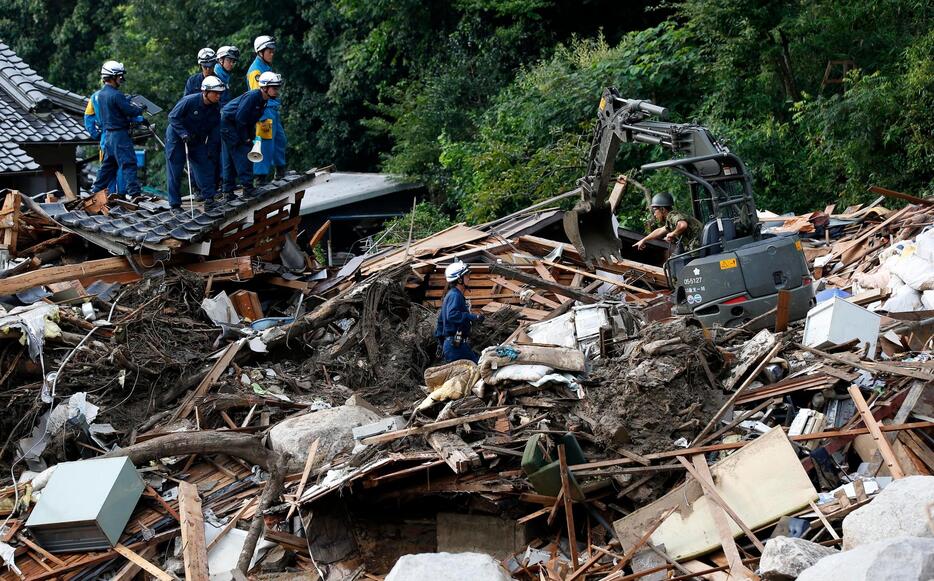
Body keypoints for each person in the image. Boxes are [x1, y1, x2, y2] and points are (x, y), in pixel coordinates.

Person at [164, 77, 226, 209]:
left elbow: (215, 131)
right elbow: (172, 117)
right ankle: (175, 205)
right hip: (177, 138)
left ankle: (209, 199)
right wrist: (182, 133)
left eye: (220, 93)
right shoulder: (189, 101)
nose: (218, 96)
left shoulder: (215, 108)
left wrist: (211, 149)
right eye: (215, 93)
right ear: (205, 92)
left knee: (205, 165)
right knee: (175, 170)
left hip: (196, 139)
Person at [90, 61, 146, 198]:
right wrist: (141, 108)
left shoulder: (99, 95)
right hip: (119, 136)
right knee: (128, 163)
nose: (121, 79)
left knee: (107, 166)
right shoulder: (116, 95)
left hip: (107, 136)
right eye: (119, 76)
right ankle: (135, 194)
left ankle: (94, 191)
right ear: (113, 76)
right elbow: (130, 111)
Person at [219, 71, 282, 193]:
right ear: (264, 87)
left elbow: (250, 120)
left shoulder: (263, 100)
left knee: (230, 157)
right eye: (274, 87)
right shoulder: (253, 97)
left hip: (233, 123)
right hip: (229, 123)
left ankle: (228, 191)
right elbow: (240, 118)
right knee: (242, 152)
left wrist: (251, 136)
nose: (276, 90)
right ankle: (248, 188)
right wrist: (245, 138)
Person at [246, 35, 286, 182]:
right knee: (264, 144)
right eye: (269, 51)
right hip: (264, 112)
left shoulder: (266, 67)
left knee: (280, 140)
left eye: (273, 51)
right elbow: (259, 95)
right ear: (260, 52)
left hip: (273, 110)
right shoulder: (256, 71)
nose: (272, 54)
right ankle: (260, 177)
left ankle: (280, 170)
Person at [434, 260, 485, 363]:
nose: (469, 277)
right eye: (466, 275)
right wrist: (473, 317)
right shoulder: (455, 295)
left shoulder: (452, 295)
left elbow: (440, 323)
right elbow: (452, 315)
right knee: (477, 368)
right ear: (459, 280)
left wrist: (442, 343)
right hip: (455, 346)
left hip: (455, 344)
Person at [633, 192, 702, 254]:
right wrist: (644, 240)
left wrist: (673, 234)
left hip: (700, 245)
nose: (654, 214)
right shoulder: (670, 220)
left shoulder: (672, 215)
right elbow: (659, 230)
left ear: (662, 209)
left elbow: (683, 225)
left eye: (655, 210)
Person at [84, 89, 124, 193]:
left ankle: (109, 198)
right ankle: (122, 197)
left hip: (105, 138)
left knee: (107, 169)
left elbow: (88, 118)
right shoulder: (118, 96)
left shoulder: (95, 97)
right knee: (122, 168)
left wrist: (96, 135)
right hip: (121, 137)